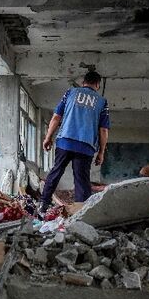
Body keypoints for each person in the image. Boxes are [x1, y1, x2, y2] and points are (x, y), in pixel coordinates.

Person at [40, 71, 110, 212]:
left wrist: (48, 137)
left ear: (83, 82)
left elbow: (56, 117)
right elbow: (103, 130)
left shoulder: (70, 93)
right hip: (86, 145)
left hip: (65, 141)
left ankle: (43, 206)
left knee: (56, 171)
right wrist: (101, 152)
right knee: (81, 180)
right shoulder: (102, 102)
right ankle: (81, 212)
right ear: (97, 85)